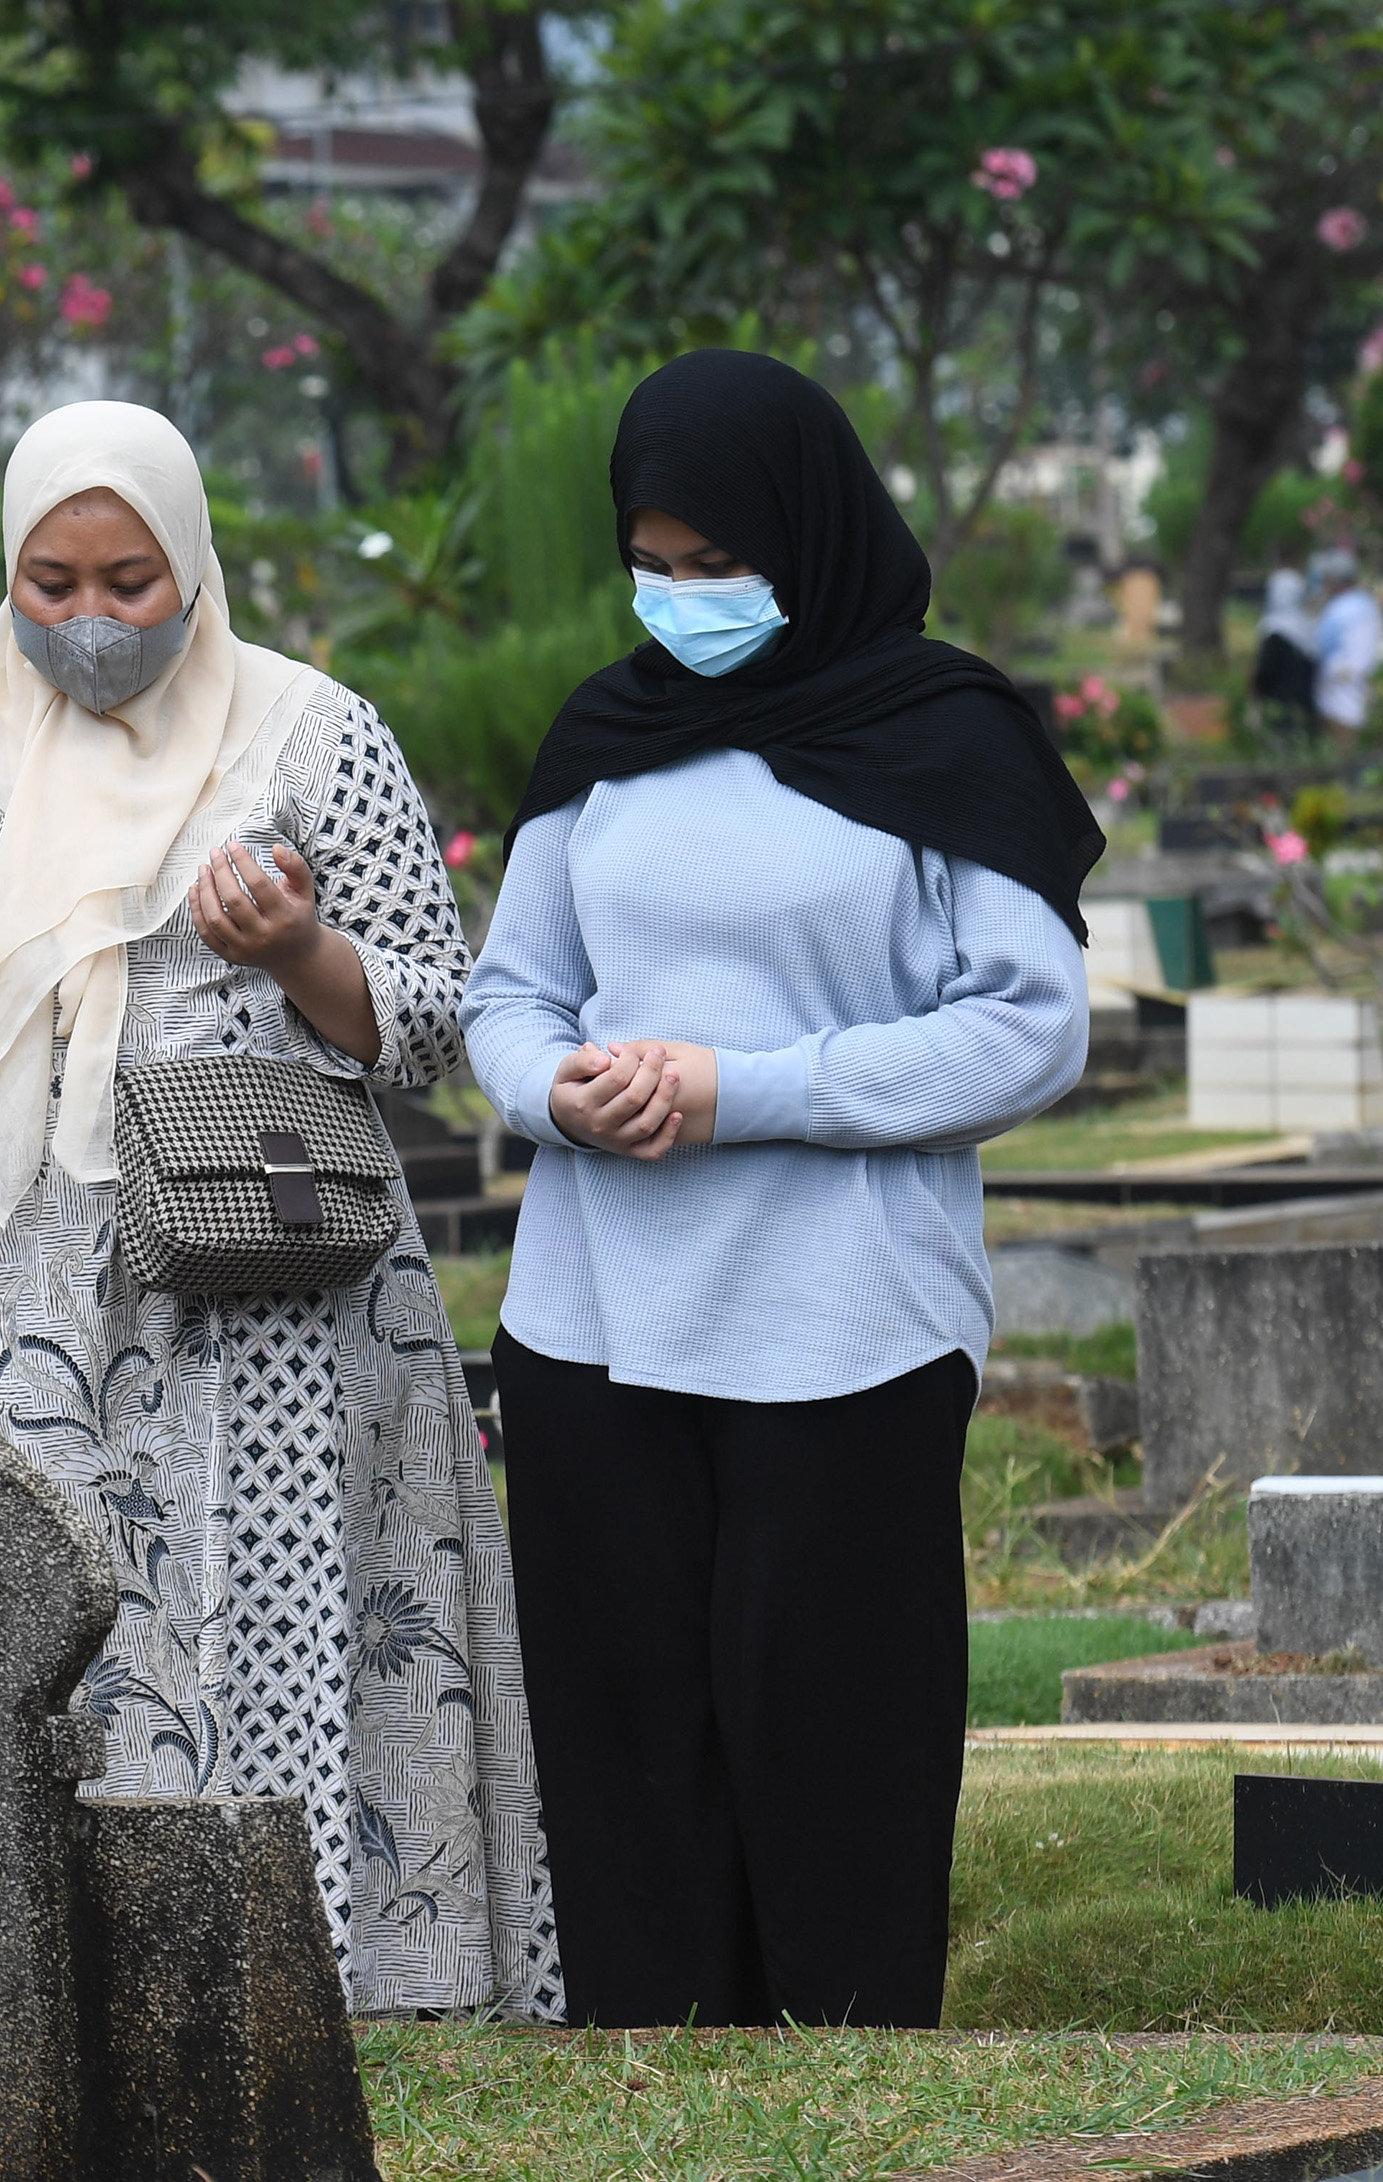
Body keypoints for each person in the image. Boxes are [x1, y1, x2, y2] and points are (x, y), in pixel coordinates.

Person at [0, 401, 560, 2022]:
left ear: (193, 563)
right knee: (33, 1623)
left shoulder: (309, 736)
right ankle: (31, 1992)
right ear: (5, 576)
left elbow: (433, 1022)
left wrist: (296, 950)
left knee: (268, 1608)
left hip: (264, 1295)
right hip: (6, 1301)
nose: (91, 621)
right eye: (53, 584)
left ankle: (318, 1979)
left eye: (130, 582)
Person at [460, 348, 1099, 2031]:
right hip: (594, 1319)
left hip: (843, 1324)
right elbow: (510, 991)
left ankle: (850, 2054)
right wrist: (557, 1089)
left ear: (808, 537)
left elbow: (1028, 1027)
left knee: (834, 1730)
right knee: (624, 1733)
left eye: (717, 562)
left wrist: (744, 1091)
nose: (682, 598)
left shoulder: (942, 735)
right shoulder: (607, 739)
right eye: (652, 564)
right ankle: (653, 2060)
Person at [1310, 547, 1383, 740]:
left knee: (1340, 746)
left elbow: (1322, 650)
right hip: (1355, 694)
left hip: (1339, 699)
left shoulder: (1341, 610)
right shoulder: (1366, 604)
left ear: (1335, 581)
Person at [1251, 566, 1320, 735]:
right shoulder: (1307, 628)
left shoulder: (1274, 631)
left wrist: (1256, 697)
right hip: (1306, 705)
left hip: (1279, 706)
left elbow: (1265, 671)